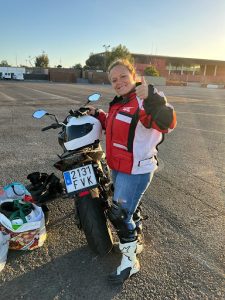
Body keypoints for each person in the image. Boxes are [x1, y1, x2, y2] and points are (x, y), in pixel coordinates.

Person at [87, 59, 177, 284]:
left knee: (119, 214)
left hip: (136, 170)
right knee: (128, 209)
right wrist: (98, 114)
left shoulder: (145, 99)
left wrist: (153, 98)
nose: (118, 82)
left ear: (133, 74)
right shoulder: (119, 102)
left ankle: (130, 262)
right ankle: (136, 241)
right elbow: (114, 127)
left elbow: (166, 123)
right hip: (118, 166)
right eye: (114, 80)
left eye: (123, 77)